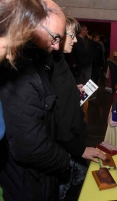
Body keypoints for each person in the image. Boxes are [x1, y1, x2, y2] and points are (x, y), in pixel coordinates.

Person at [0, 1, 72, 200]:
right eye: (55, 37)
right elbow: (29, 146)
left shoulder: (37, 63)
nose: (57, 45)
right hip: (27, 184)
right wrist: (63, 159)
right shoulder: (20, 74)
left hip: (40, 177)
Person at [51, 17, 106, 201]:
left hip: (74, 141)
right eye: (72, 35)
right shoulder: (52, 65)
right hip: (67, 147)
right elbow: (60, 122)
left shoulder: (60, 60)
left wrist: (74, 89)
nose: (75, 40)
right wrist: (79, 150)